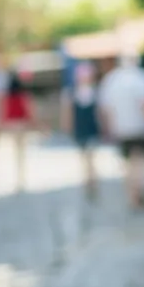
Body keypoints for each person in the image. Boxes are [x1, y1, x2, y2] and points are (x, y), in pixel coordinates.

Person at [97, 53, 144, 209]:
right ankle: (140, 190)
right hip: (141, 127)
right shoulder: (143, 78)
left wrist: (108, 128)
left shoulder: (111, 80)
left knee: (127, 164)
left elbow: (106, 109)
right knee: (141, 162)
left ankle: (133, 196)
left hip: (121, 129)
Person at [60, 60, 101, 200]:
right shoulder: (72, 92)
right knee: (85, 157)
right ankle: (89, 179)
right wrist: (68, 128)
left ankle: (90, 180)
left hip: (91, 128)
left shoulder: (95, 91)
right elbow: (68, 113)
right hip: (81, 129)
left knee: (90, 157)